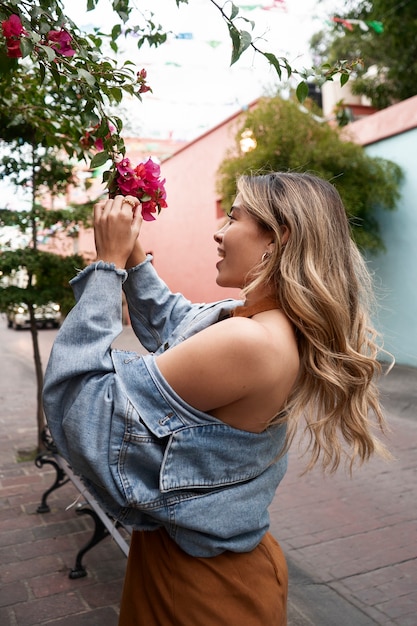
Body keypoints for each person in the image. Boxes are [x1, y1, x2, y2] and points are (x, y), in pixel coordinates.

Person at [43, 172, 390, 626]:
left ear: (277, 238)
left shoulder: (250, 343)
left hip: (198, 587)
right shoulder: (267, 323)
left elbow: (79, 406)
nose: (218, 230)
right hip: (218, 566)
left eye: (233, 216)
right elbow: (177, 320)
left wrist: (107, 267)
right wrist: (131, 254)